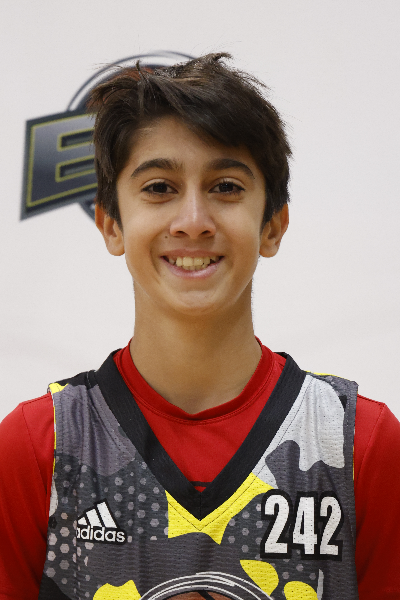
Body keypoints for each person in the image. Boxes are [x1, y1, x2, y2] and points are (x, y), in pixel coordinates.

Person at [0, 53, 399, 600]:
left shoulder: (362, 445)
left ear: (273, 226)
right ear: (111, 224)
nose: (193, 221)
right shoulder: (36, 448)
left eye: (226, 186)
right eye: (159, 187)